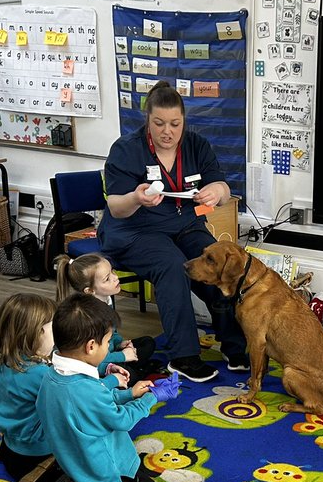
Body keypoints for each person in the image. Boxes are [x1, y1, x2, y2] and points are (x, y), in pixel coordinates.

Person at [97, 81, 246, 383]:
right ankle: (184, 357)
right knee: (172, 266)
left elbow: (223, 187)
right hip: (135, 231)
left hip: (185, 226)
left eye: (175, 124)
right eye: (159, 123)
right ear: (147, 120)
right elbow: (116, 207)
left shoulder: (196, 145)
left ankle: (235, 346)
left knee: (220, 262)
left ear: (184, 121)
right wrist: (136, 198)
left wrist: (215, 192)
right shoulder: (126, 149)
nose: (168, 131)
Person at [34, 294, 177, 482]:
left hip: (76, 457)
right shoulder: (86, 389)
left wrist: (130, 393)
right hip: (101, 470)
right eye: (108, 342)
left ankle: (77, 481)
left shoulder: (52, 375)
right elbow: (122, 420)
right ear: (91, 346)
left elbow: (96, 404)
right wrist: (151, 398)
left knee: (137, 467)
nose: (109, 347)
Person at [0, 293, 59, 482]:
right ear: (36, 333)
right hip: (37, 454)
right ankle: (44, 472)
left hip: (12, 445)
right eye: (52, 329)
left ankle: (3, 450)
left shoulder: (2, 366)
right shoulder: (42, 374)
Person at [54, 252, 159, 383]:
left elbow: (112, 333)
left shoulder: (106, 299)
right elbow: (92, 355)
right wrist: (122, 356)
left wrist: (119, 343)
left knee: (148, 342)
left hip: (107, 350)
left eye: (112, 271)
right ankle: (137, 370)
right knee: (129, 375)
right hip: (96, 360)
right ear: (90, 291)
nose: (115, 278)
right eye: (107, 279)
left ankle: (135, 366)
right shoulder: (89, 316)